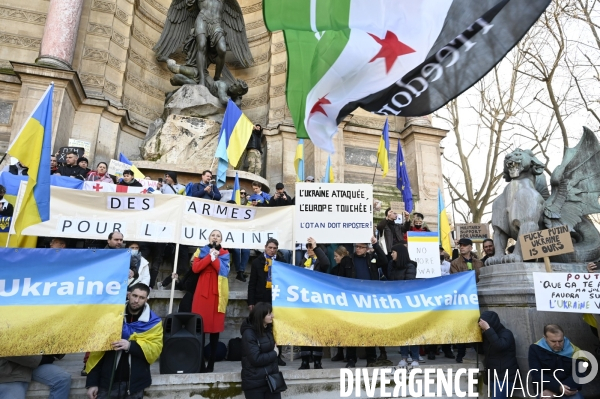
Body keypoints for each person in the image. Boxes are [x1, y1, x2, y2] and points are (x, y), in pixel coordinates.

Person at [85, 283, 163, 399]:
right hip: (107, 383)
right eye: (134, 295)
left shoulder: (154, 322)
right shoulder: (111, 316)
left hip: (135, 385)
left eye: (141, 298)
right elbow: (97, 352)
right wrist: (92, 383)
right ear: (128, 295)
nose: (136, 300)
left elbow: (155, 349)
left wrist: (130, 346)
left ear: (146, 299)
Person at [344, 236, 388, 368]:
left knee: (370, 330)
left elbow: (385, 261)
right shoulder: (348, 260)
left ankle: (371, 358)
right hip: (352, 299)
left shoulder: (371, 259)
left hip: (369, 299)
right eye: (356, 246)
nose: (358, 249)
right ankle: (351, 359)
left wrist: (376, 245)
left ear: (366, 248)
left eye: (361, 247)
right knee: (352, 330)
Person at [191, 230, 230, 372]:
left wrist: (215, 258)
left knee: (214, 330)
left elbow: (223, 271)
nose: (215, 237)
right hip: (201, 293)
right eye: (213, 235)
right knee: (200, 329)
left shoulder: (225, 253)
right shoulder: (200, 251)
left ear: (221, 239)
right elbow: (196, 268)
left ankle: (211, 364)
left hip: (216, 294)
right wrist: (209, 256)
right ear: (209, 238)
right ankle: (200, 363)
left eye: (218, 235)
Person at [247, 238, 286, 366]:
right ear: (265, 247)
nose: (272, 250)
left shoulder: (281, 261)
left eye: (275, 248)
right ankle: (262, 353)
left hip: (276, 298)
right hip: (261, 298)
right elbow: (252, 283)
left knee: (276, 328)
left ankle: (278, 355)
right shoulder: (257, 262)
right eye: (270, 247)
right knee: (261, 326)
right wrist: (251, 301)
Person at [528, 324, 586, 398]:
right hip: (545, 388)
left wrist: (558, 390)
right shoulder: (535, 349)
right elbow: (536, 374)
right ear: (545, 338)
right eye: (553, 341)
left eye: (560, 341)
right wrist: (557, 387)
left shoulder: (574, 350)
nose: (558, 344)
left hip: (568, 388)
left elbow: (579, 375)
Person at [299, 237, 330, 370]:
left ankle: (317, 361)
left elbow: (326, 262)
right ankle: (305, 361)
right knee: (304, 332)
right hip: (304, 302)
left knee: (318, 332)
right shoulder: (304, 261)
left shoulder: (321, 263)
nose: (308, 249)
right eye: (307, 246)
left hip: (318, 303)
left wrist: (316, 246)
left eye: (310, 247)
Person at [387, 244, 420, 366]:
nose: (391, 254)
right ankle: (404, 357)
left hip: (409, 302)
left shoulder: (410, 266)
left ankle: (415, 358)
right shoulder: (392, 265)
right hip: (397, 302)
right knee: (402, 330)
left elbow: (409, 283)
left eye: (393, 252)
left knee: (413, 330)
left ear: (399, 253)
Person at [240, 302, 281, 399]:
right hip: (255, 383)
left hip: (271, 380)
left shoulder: (268, 330)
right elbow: (256, 359)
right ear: (261, 316)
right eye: (269, 314)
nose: (273, 316)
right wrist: (274, 353)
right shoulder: (249, 334)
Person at [479, 311, 518, 399]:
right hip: (493, 376)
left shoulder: (506, 333)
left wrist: (488, 329)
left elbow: (500, 346)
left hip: (505, 377)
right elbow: (481, 350)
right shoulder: (487, 335)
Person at [0, 355, 71, 399]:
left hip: (36, 363)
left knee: (63, 379)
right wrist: (41, 359)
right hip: (10, 369)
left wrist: (56, 349)